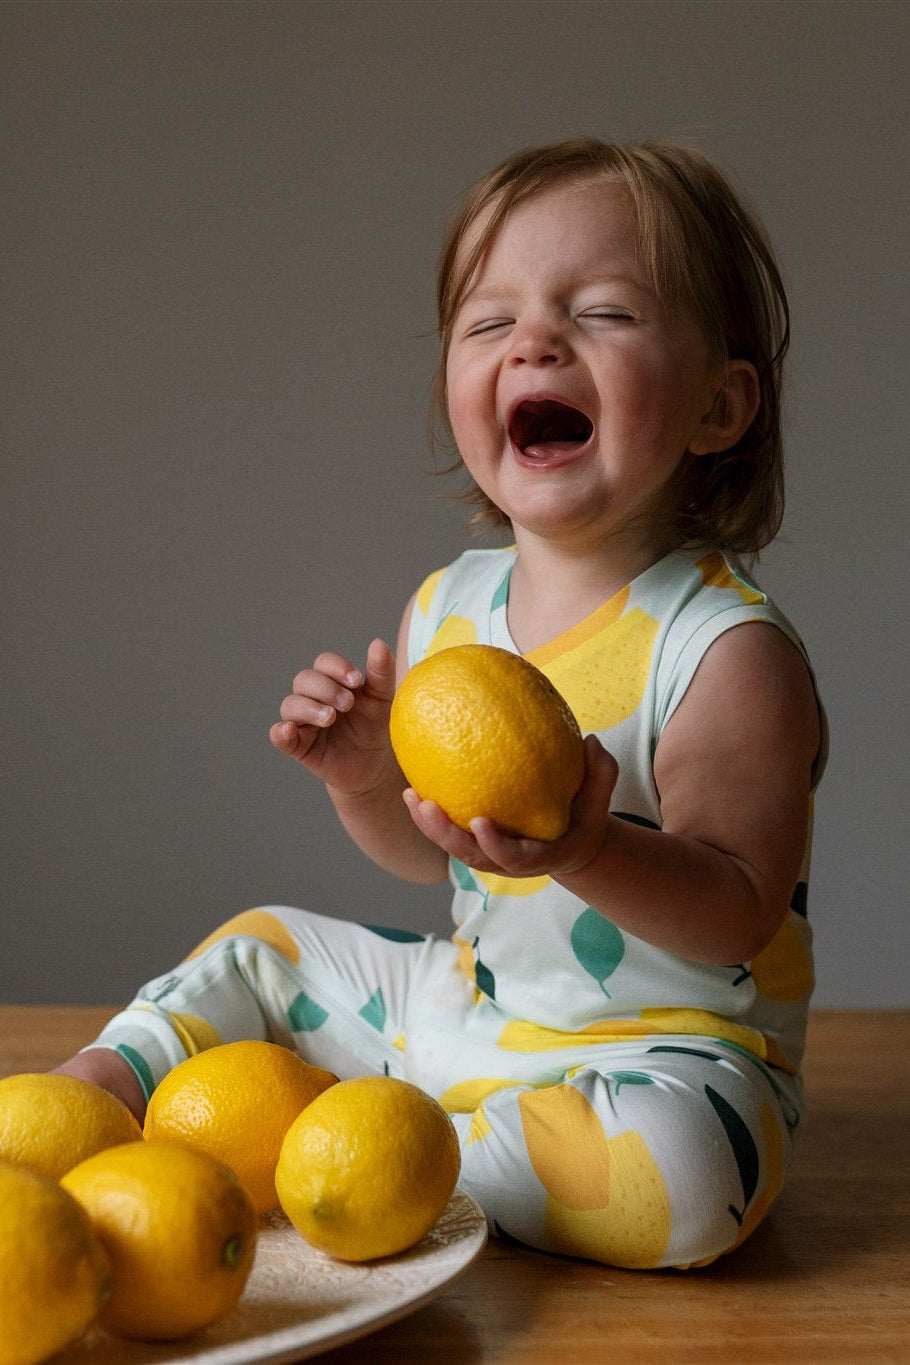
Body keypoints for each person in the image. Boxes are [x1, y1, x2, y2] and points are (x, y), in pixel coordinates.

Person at [56, 138, 826, 1269]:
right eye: (488, 323)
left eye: (603, 313)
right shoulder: (448, 609)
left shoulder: (723, 649)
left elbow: (738, 913)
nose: (536, 340)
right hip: (468, 1010)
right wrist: (367, 779)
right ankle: (100, 1097)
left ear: (720, 404)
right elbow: (432, 862)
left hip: (663, 1056)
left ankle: (386, 1155)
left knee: (692, 1173)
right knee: (264, 945)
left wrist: (584, 846)